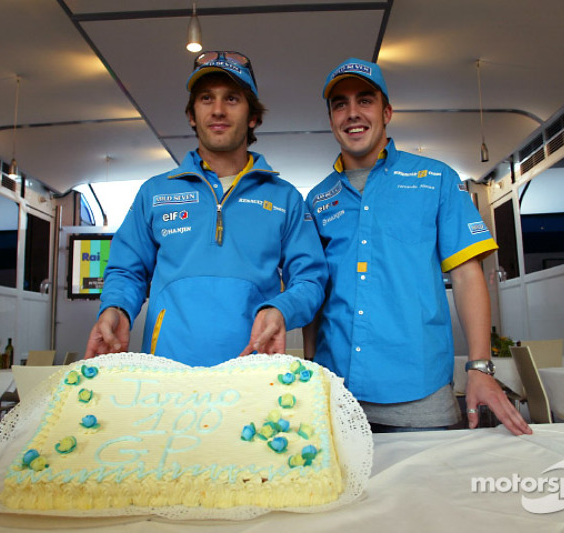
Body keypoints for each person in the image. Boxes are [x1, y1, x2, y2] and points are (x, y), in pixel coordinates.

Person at [304, 58, 531, 436]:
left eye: (365, 100)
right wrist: (311, 367)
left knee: (426, 495)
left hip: (419, 396)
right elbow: (314, 292)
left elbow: (466, 276)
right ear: (331, 120)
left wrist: (479, 367)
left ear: (387, 112)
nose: (352, 113)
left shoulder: (436, 179)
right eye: (339, 104)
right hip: (336, 394)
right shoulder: (317, 199)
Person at [85, 51, 327, 366]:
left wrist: (282, 309)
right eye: (205, 98)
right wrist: (116, 308)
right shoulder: (155, 193)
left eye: (232, 99)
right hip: (168, 374)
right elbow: (126, 270)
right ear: (191, 114)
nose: (217, 110)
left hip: (252, 373)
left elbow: (310, 279)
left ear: (253, 117)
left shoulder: (285, 199)